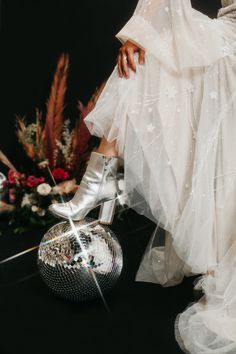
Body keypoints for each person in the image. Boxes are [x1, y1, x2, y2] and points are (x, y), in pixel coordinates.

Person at [49, 1, 236, 352]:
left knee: (155, 48)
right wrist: (142, 35)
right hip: (228, 38)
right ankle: (101, 172)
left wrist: (142, 33)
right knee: (149, 54)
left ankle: (99, 175)